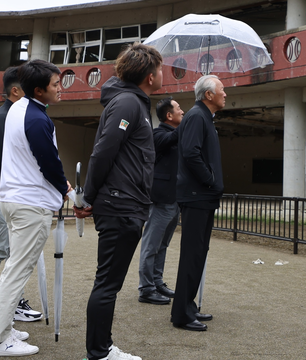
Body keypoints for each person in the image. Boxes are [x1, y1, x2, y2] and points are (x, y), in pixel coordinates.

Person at [74, 42, 163, 360]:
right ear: (150, 75)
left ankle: (101, 348)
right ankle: (99, 352)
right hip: (120, 204)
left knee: (108, 282)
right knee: (107, 283)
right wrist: (89, 196)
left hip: (125, 203)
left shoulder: (133, 103)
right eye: (160, 69)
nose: (162, 74)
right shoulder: (128, 103)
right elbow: (103, 151)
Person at [0, 59, 71, 356]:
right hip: (29, 204)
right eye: (56, 85)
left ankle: (0, 330)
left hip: (14, 200)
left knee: (12, 269)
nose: (61, 89)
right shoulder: (36, 119)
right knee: (16, 272)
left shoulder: (19, 108)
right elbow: (49, 162)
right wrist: (66, 188)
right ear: (39, 89)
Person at [0, 66, 44, 330]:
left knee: (14, 252)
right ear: (15, 90)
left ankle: (10, 304)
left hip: (3, 191)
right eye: (29, 86)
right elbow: (9, 162)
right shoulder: (4, 117)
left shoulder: (11, 114)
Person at [170, 75, 226, 332]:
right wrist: (211, 180)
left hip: (202, 197)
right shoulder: (196, 116)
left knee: (198, 254)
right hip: (197, 196)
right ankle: (181, 314)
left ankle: (188, 307)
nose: (225, 94)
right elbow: (191, 153)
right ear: (208, 95)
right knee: (192, 255)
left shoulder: (203, 117)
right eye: (221, 91)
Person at [137, 97, 184, 305]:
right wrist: (193, 121)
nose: (182, 112)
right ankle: (146, 288)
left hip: (174, 200)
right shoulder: (158, 134)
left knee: (163, 244)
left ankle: (157, 282)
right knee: (151, 244)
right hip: (162, 199)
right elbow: (171, 140)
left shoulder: (174, 135)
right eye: (179, 109)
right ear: (169, 115)